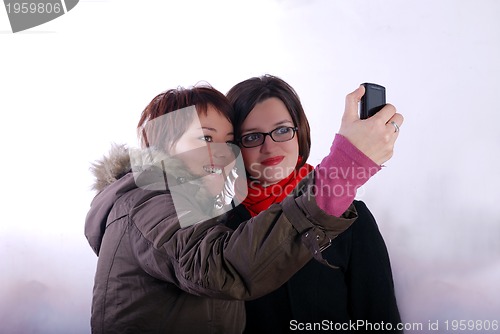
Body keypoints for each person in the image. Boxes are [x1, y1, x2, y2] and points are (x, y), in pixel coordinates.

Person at [84, 84, 377, 334]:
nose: (223, 153)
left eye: (228, 141)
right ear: (163, 145)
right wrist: (344, 167)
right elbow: (219, 267)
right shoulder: (155, 201)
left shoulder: (209, 214)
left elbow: (377, 314)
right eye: (206, 138)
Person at [225, 74, 404, 333]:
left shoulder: (351, 218)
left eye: (282, 130)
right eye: (252, 137)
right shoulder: (218, 228)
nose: (270, 146)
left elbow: (380, 321)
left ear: (300, 132)